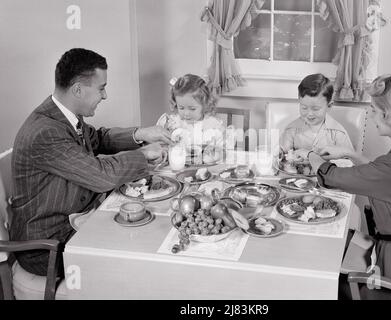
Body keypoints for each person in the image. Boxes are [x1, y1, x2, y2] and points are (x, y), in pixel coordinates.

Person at [10, 48, 172, 277]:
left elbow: (99, 138)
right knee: (141, 253)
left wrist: (141, 134)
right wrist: (143, 155)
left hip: (75, 220)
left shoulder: (63, 115)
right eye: (101, 88)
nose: (105, 96)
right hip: (49, 247)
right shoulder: (46, 132)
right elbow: (101, 176)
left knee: (150, 227)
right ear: (78, 89)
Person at [309, 74, 391, 296]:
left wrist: (313, 157)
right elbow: (386, 177)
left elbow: (332, 177)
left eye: (374, 110)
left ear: (389, 116)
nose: (370, 113)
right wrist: (351, 153)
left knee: (323, 278)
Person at [280, 73, 354, 161]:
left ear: (329, 106)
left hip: (329, 174)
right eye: (304, 107)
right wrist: (280, 153)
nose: (309, 114)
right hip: (297, 174)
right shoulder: (292, 130)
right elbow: (283, 156)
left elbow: (349, 161)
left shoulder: (338, 133)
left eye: (315, 109)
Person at [156, 74, 228, 164]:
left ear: (204, 104)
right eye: (181, 108)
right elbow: (161, 146)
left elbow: (223, 149)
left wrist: (216, 152)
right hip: (179, 168)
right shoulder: (173, 124)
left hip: (206, 168)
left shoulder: (212, 125)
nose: (186, 113)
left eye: (192, 109)